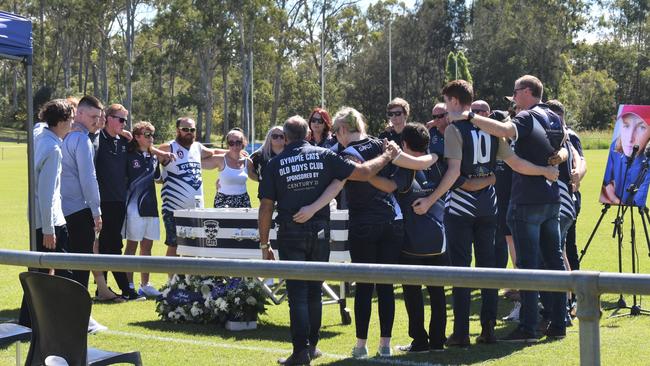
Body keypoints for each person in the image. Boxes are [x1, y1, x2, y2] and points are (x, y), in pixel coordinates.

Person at [258, 115, 399, 365]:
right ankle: (312, 346)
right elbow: (364, 172)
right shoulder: (325, 156)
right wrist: (388, 155)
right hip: (321, 232)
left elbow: (266, 207)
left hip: (292, 231)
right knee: (314, 291)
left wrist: (264, 243)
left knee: (298, 293)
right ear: (307, 133)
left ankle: (300, 351)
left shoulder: (275, 164)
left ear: (287, 137)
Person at [433, 80, 561, 347]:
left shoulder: (455, 130)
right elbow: (514, 163)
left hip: (461, 207)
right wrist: (544, 171)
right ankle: (488, 329)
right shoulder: (491, 131)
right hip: (488, 208)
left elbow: (454, 173)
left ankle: (460, 332)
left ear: (456, 102)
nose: (445, 108)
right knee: (488, 269)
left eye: (446, 102)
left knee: (461, 271)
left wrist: (432, 199)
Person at [19, 99, 75, 327]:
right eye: (70, 119)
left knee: (39, 274)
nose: (72, 123)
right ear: (60, 122)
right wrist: (49, 230)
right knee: (62, 275)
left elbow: (38, 125)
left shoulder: (40, 134)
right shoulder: (52, 150)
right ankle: (60, 321)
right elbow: (46, 193)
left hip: (38, 219)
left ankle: (28, 321)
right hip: (49, 222)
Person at [60, 95, 108, 333]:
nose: (95, 122)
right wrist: (97, 211)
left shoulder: (61, 136)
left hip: (61, 212)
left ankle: (65, 314)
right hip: (79, 211)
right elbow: (89, 179)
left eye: (99, 118)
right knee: (81, 264)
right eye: (92, 116)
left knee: (64, 266)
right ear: (78, 113)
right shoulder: (80, 140)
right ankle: (82, 318)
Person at [94, 104, 144, 301]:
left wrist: (162, 154)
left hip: (119, 200)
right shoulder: (97, 139)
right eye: (121, 119)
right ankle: (126, 289)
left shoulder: (124, 141)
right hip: (102, 201)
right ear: (108, 118)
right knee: (111, 244)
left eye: (126, 120)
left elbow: (146, 146)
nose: (125, 124)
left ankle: (102, 290)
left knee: (110, 243)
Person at [158, 117, 222, 258]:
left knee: (192, 246)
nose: (189, 132)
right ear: (177, 130)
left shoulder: (197, 147)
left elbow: (214, 152)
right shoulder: (169, 147)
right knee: (174, 246)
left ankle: (189, 280)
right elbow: (152, 154)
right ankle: (172, 280)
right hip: (173, 209)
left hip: (196, 210)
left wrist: (233, 153)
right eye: (185, 129)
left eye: (192, 130)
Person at [122, 121, 166, 298]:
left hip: (151, 208)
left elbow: (158, 179)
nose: (151, 138)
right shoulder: (128, 155)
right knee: (132, 246)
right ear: (137, 137)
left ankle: (145, 285)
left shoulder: (153, 157)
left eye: (152, 135)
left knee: (147, 247)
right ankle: (129, 285)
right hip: (133, 209)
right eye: (146, 135)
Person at [601, 106, 650, 207]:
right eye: (626, 125)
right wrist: (612, 196)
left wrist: (614, 198)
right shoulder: (614, 147)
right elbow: (606, 184)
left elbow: (637, 200)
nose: (630, 138)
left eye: (642, 127)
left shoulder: (647, 161)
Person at [211, 129, 256, 208]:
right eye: (231, 143)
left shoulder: (248, 162)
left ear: (243, 143)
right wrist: (226, 151)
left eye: (238, 142)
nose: (235, 146)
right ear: (227, 144)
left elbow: (257, 177)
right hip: (223, 200)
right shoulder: (220, 159)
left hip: (243, 200)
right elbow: (199, 157)